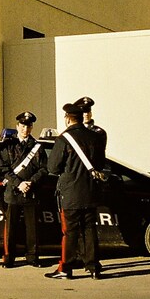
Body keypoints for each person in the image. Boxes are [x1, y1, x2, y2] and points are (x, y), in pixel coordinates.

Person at [45, 103, 104, 280]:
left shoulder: (64, 139)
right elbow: (100, 164)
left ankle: (66, 267)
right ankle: (93, 267)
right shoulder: (95, 138)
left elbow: (53, 167)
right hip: (90, 192)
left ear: (68, 118)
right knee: (89, 230)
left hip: (70, 194)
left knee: (69, 232)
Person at [0, 111, 47, 268]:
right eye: (23, 126)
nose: (25, 129)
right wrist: (19, 183)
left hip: (31, 192)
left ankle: (32, 257)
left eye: (28, 126)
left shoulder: (37, 147)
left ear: (32, 127)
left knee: (32, 228)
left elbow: (43, 169)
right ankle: (9, 258)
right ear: (17, 126)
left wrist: (30, 182)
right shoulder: (8, 145)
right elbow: (4, 169)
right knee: (11, 228)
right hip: (13, 192)